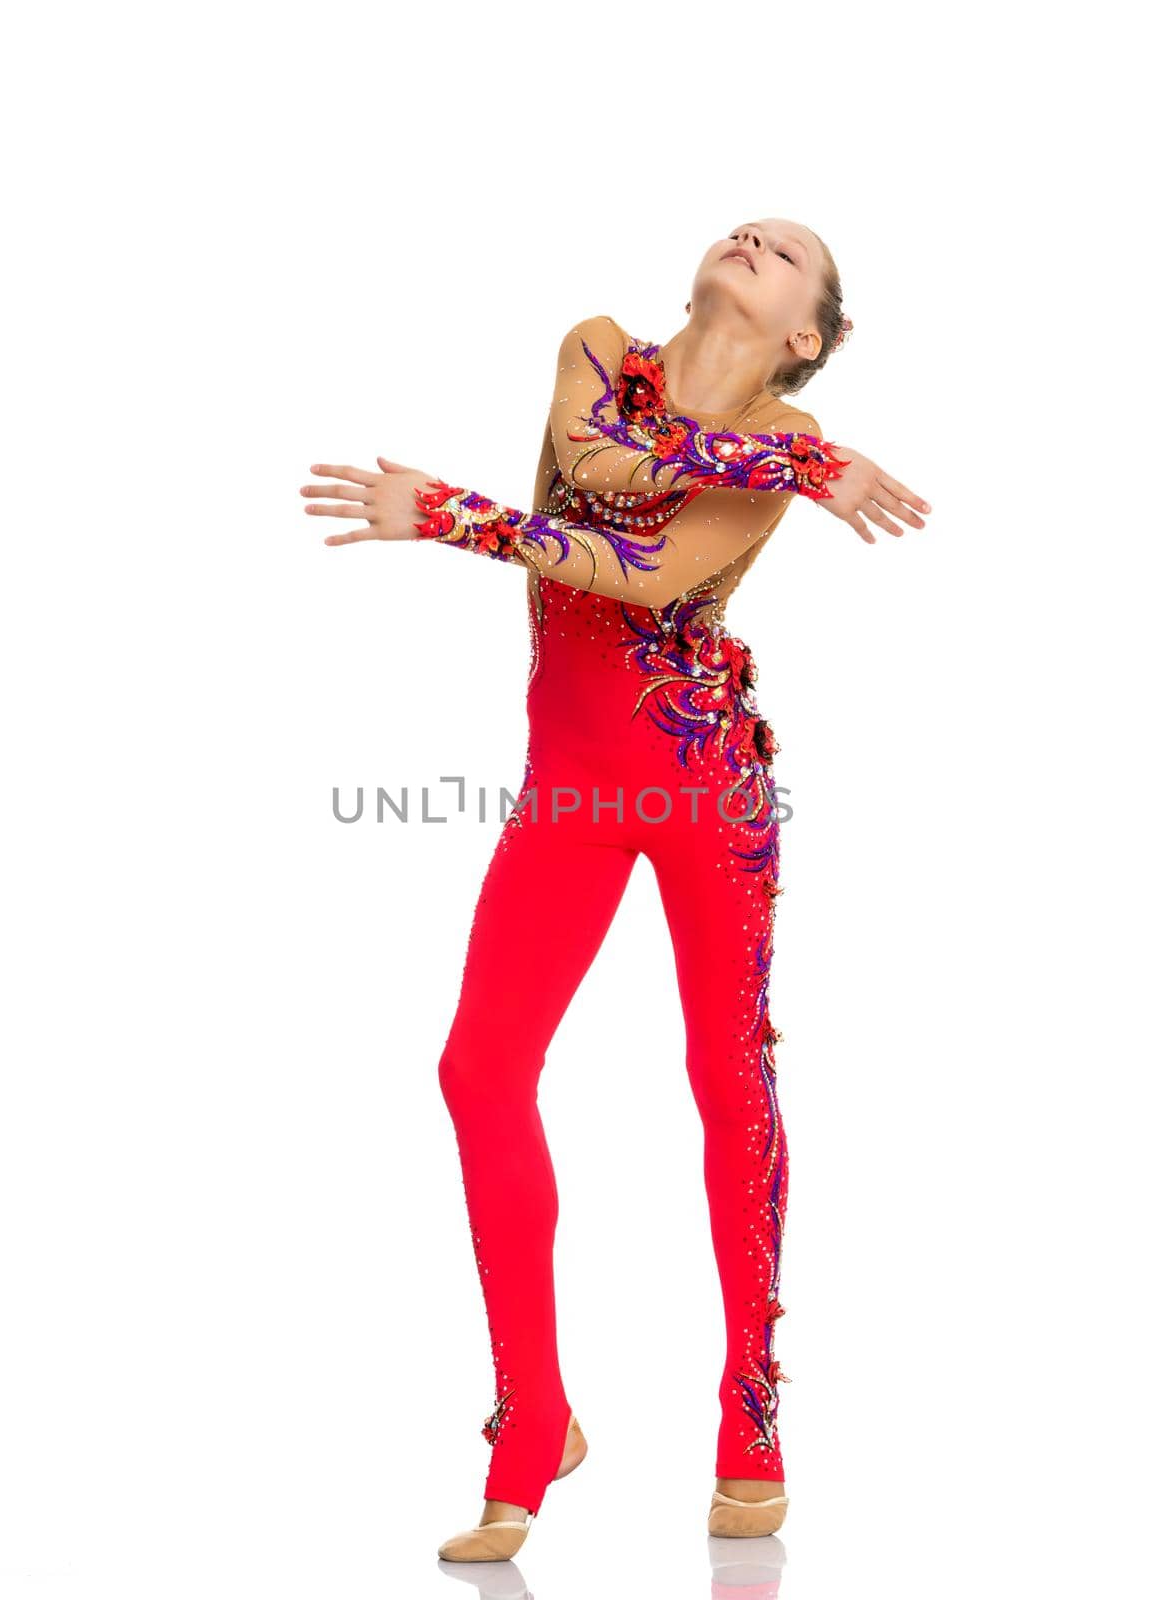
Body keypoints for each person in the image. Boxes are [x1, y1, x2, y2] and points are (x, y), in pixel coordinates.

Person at [300, 218, 931, 1563]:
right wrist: (812, 457)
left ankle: (749, 1415)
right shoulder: (600, 350)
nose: (754, 237)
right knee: (480, 1070)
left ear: (805, 336)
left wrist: (458, 516)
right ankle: (535, 1417)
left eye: (789, 256)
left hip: (703, 781)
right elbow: (594, 465)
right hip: (570, 787)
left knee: (726, 1077)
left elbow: (639, 568)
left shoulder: (763, 473)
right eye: (747, 227)